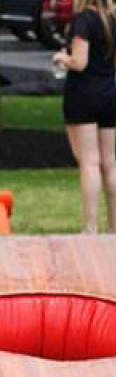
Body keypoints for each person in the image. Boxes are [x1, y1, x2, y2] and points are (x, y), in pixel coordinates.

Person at [53, 0, 116, 233]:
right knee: (110, 164)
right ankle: (113, 227)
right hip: (109, 94)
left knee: (89, 162)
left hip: (84, 95)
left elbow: (80, 63)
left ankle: (90, 227)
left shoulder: (83, 20)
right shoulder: (111, 19)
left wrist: (61, 58)